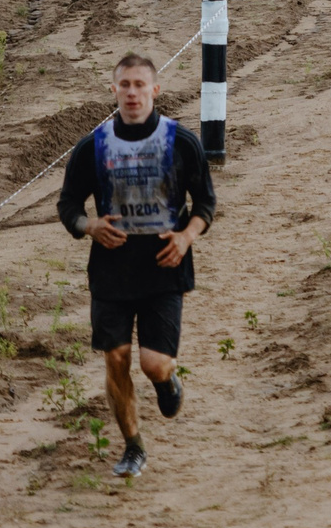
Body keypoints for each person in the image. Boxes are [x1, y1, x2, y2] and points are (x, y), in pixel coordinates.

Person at [57, 53, 217, 478]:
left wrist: (186, 236)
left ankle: (167, 380)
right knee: (115, 358)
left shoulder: (181, 142)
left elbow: (205, 203)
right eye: (124, 85)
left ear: (155, 91)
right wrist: (89, 226)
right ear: (114, 90)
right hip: (110, 269)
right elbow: (67, 204)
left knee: (152, 363)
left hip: (165, 266)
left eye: (139, 85)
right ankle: (132, 446)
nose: (131, 93)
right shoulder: (92, 147)